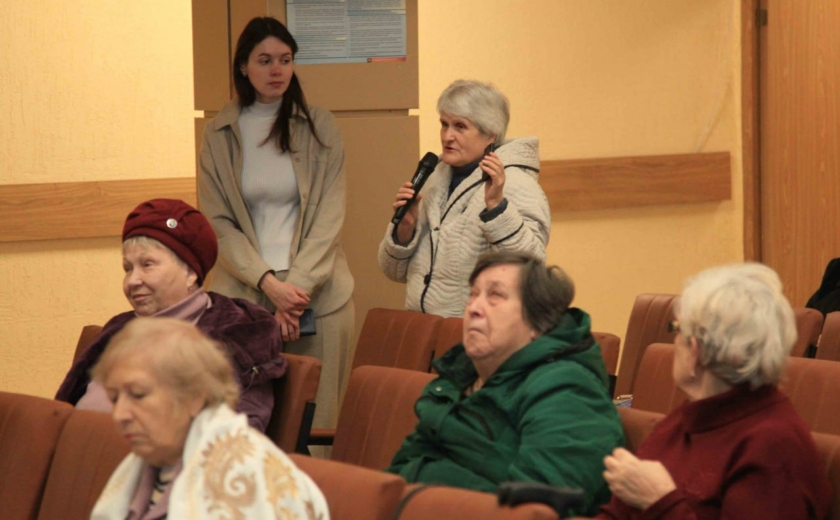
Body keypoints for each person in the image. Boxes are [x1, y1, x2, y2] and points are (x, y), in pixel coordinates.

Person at [198, 16, 354, 435]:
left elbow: (330, 218)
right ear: (243, 66)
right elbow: (218, 223)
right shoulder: (219, 134)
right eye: (264, 60)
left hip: (318, 297)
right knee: (242, 429)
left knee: (315, 430)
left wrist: (294, 291)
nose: (276, 70)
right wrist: (271, 285)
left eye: (285, 60)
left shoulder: (320, 126)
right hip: (244, 297)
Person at [387, 252, 624, 517]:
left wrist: (431, 479)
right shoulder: (457, 379)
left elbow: (537, 511)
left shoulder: (570, 392)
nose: (474, 308)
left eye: (495, 296)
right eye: (472, 295)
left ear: (539, 323)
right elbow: (400, 472)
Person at [596, 263, 831, 519]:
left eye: (677, 329)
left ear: (695, 351)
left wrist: (660, 501)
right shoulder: (690, 417)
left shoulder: (772, 447)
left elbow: (654, 504)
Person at [56, 198, 285, 432]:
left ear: (190, 273)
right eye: (128, 268)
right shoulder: (119, 329)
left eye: (147, 264)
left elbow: (235, 436)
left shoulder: (236, 335)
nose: (133, 280)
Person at [89, 317, 329, 520]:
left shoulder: (243, 477)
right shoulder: (153, 461)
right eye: (114, 398)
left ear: (194, 397)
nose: (120, 415)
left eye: (138, 395)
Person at [378, 80, 550, 317]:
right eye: (444, 124)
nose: (447, 136)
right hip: (422, 328)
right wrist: (405, 229)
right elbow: (393, 272)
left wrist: (497, 209)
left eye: (460, 127)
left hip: (479, 329)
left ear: (490, 135)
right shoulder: (432, 179)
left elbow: (531, 270)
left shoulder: (517, 184)